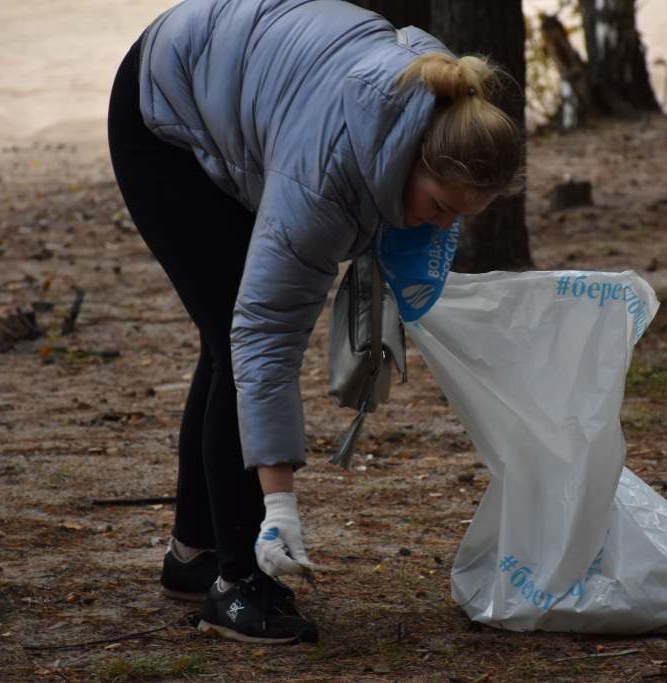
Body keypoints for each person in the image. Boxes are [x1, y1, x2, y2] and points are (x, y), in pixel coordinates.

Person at [107, 0, 522, 645]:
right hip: (165, 104)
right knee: (233, 341)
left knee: (225, 338)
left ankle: (194, 555)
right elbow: (265, 336)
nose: (445, 225)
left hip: (250, 82)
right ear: (412, 161)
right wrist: (280, 505)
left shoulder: (443, 104)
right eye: (439, 206)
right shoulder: (323, 179)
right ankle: (237, 583)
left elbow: (407, 220)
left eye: (459, 216)